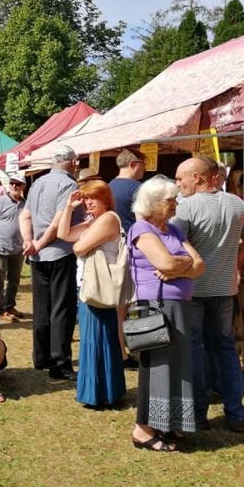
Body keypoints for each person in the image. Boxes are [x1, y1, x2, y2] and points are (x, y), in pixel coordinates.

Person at [172, 156, 244, 432]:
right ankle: (236, 413)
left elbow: (175, 248)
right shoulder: (238, 203)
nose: (177, 185)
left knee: (194, 350)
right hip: (224, 288)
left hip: (193, 288)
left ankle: (199, 414)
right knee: (225, 349)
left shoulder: (185, 208)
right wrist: (232, 261)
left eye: (180, 179)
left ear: (198, 177)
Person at [128, 176, 204, 451]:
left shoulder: (173, 230)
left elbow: (199, 266)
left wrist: (179, 265)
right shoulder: (141, 228)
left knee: (179, 365)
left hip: (178, 304)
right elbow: (165, 262)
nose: (175, 204)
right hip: (155, 307)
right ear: (153, 203)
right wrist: (183, 263)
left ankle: (168, 423)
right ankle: (143, 429)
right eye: (170, 200)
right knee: (157, 366)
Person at [57, 181, 126, 408]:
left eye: (92, 198)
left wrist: (84, 235)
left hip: (98, 289)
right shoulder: (94, 221)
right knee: (97, 337)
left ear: (105, 199)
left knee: (96, 338)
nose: (87, 203)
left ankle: (98, 393)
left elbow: (78, 248)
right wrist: (69, 207)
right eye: (85, 199)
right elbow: (64, 234)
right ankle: (105, 391)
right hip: (89, 287)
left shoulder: (108, 219)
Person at [20, 145, 82, 382]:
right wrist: (38, 243)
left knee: (42, 307)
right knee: (61, 309)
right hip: (57, 253)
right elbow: (58, 222)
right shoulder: (68, 184)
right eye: (77, 161)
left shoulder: (37, 182)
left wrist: (30, 241)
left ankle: (41, 357)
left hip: (38, 256)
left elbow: (25, 216)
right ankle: (59, 363)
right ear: (71, 162)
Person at [109, 148, 146, 369]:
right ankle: (123, 351)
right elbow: (142, 223)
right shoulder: (137, 189)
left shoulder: (108, 186)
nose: (144, 168)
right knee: (128, 305)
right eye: (143, 163)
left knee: (119, 305)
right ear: (133, 164)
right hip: (132, 250)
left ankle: (120, 348)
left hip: (112, 250)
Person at [0, 172, 27, 322]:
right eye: (12, 183)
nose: (14, 186)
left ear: (23, 186)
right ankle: (0, 309)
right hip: (0, 247)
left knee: (14, 280)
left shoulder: (26, 204)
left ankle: (10, 305)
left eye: (18, 184)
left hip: (18, 248)